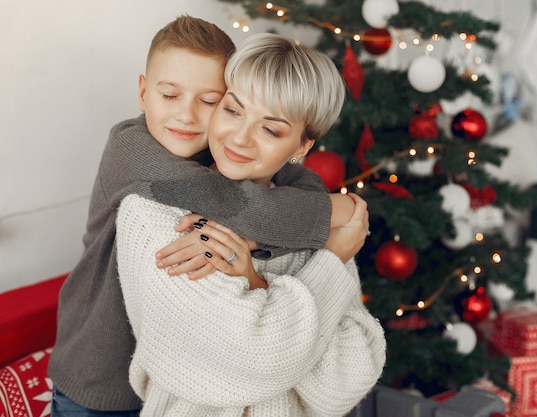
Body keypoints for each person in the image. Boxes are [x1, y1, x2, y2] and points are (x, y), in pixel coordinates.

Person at [49, 16, 357, 417]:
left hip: (166, 385)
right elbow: (233, 203)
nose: (186, 117)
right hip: (101, 374)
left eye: (209, 101)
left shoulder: (222, 152)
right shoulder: (132, 151)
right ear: (143, 93)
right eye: (170, 95)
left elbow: (301, 186)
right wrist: (342, 211)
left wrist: (252, 240)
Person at [116, 32, 386, 417]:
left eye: (271, 129)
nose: (240, 138)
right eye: (232, 110)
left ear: (302, 146)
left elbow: (344, 383)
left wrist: (257, 284)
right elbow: (258, 357)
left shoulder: (309, 225)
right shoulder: (152, 214)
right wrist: (330, 264)